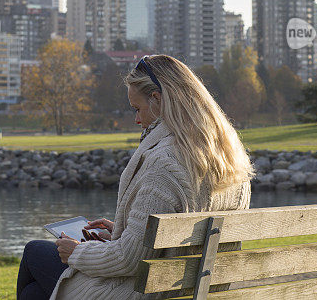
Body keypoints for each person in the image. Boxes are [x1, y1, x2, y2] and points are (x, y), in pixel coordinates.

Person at [16, 54, 254, 300]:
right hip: (196, 288)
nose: (137, 120)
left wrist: (76, 253)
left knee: (34, 252)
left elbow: (128, 260)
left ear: (157, 99)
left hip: (147, 291)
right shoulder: (230, 157)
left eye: (137, 108)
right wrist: (124, 230)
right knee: (34, 293)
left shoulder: (166, 163)